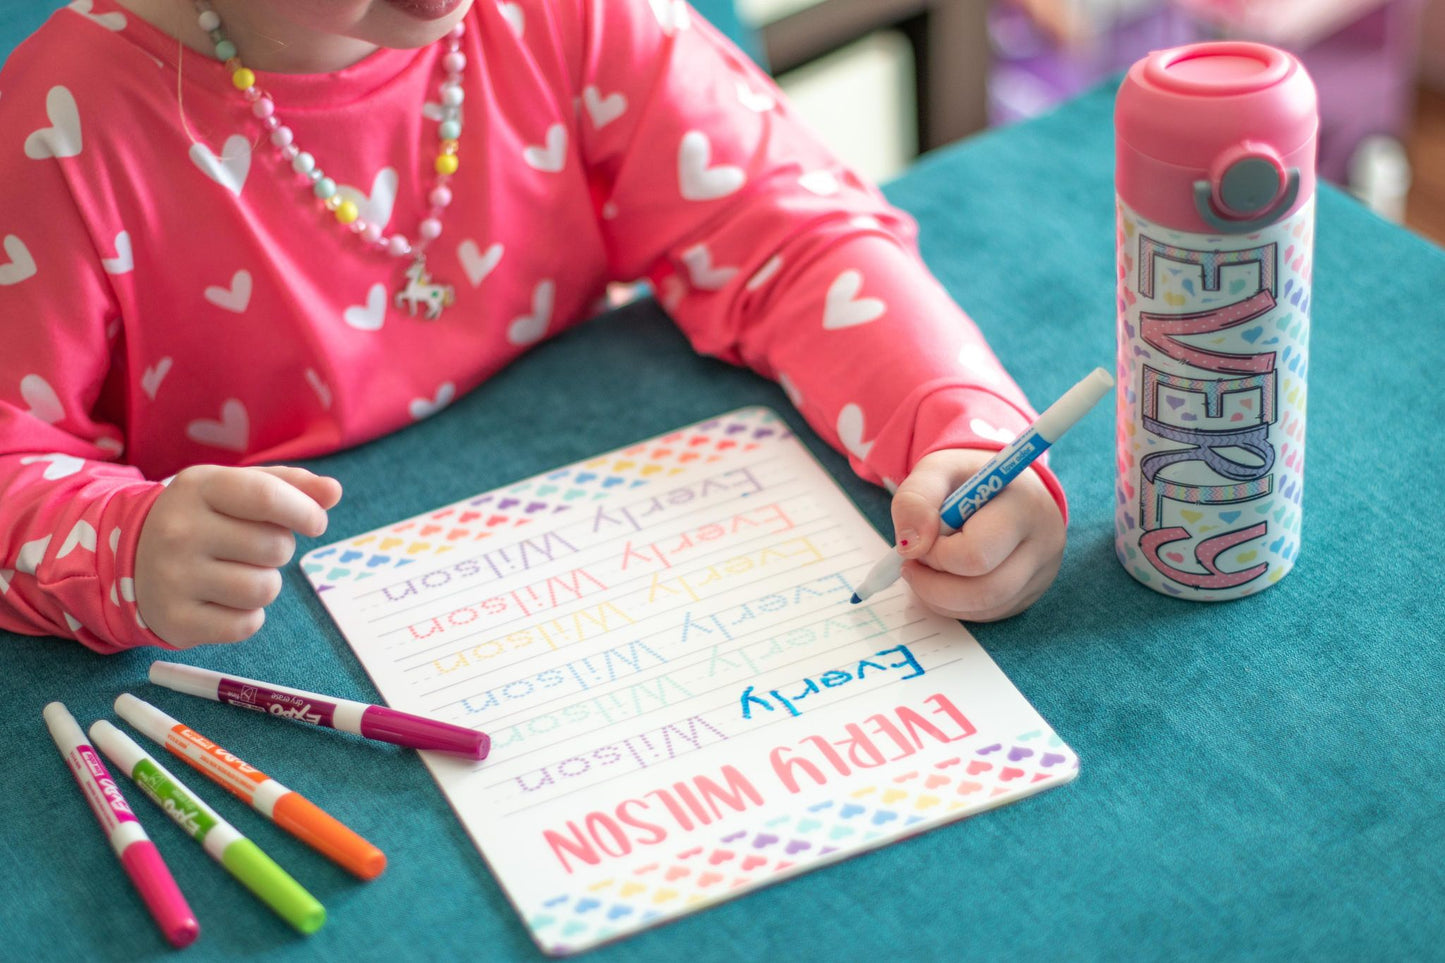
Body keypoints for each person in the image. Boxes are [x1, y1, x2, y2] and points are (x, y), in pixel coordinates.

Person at [0, 0, 1067, 655]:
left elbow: (785, 235)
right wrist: (122, 550)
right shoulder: (59, 128)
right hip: (278, 622)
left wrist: (952, 431)